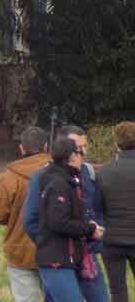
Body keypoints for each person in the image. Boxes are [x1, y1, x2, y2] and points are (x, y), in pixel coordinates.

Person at [24, 125, 109, 302]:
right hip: (59, 256)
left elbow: (95, 208)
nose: (83, 153)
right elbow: (31, 220)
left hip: (86, 253)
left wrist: (93, 234)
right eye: (79, 148)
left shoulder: (87, 172)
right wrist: (50, 243)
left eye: (85, 147)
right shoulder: (43, 177)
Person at [0, 126, 50, 302]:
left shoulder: (11, 177)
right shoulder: (61, 171)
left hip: (20, 251)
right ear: (46, 146)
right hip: (55, 250)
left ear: (21, 148)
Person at [94, 121, 135, 301]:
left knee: (117, 289)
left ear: (117, 142)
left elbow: (97, 207)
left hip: (112, 239)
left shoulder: (104, 172)